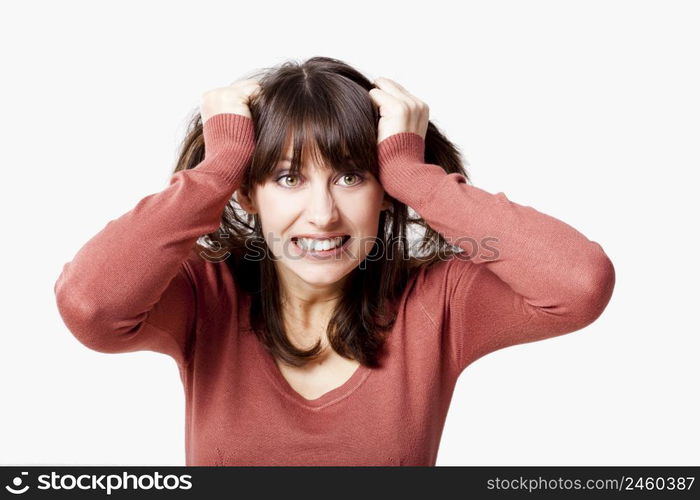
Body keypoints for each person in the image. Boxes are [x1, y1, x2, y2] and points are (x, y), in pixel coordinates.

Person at [54, 56, 615, 466]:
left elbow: (579, 283)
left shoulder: (437, 305)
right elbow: (90, 304)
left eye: (351, 177)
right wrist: (219, 167)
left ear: (383, 190)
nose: (322, 214)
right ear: (249, 194)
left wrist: (416, 176)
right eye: (288, 178)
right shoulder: (204, 297)